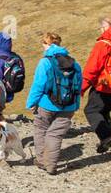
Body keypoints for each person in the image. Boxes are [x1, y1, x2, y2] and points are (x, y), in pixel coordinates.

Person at [25, 31, 82, 175]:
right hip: (68, 106)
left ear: (47, 44)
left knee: (41, 130)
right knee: (55, 134)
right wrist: (75, 105)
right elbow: (78, 85)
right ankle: (51, 166)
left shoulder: (45, 62)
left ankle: (42, 160)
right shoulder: (74, 64)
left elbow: (38, 84)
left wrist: (31, 102)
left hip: (46, 104)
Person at [81, 17, 111, 154]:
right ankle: (108, 142)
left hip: (104, 85)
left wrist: (82, 88)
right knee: (104, 110)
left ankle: (107, 138)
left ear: (103, 28)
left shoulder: (103, 44)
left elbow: (92, 68)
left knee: (91, 110)